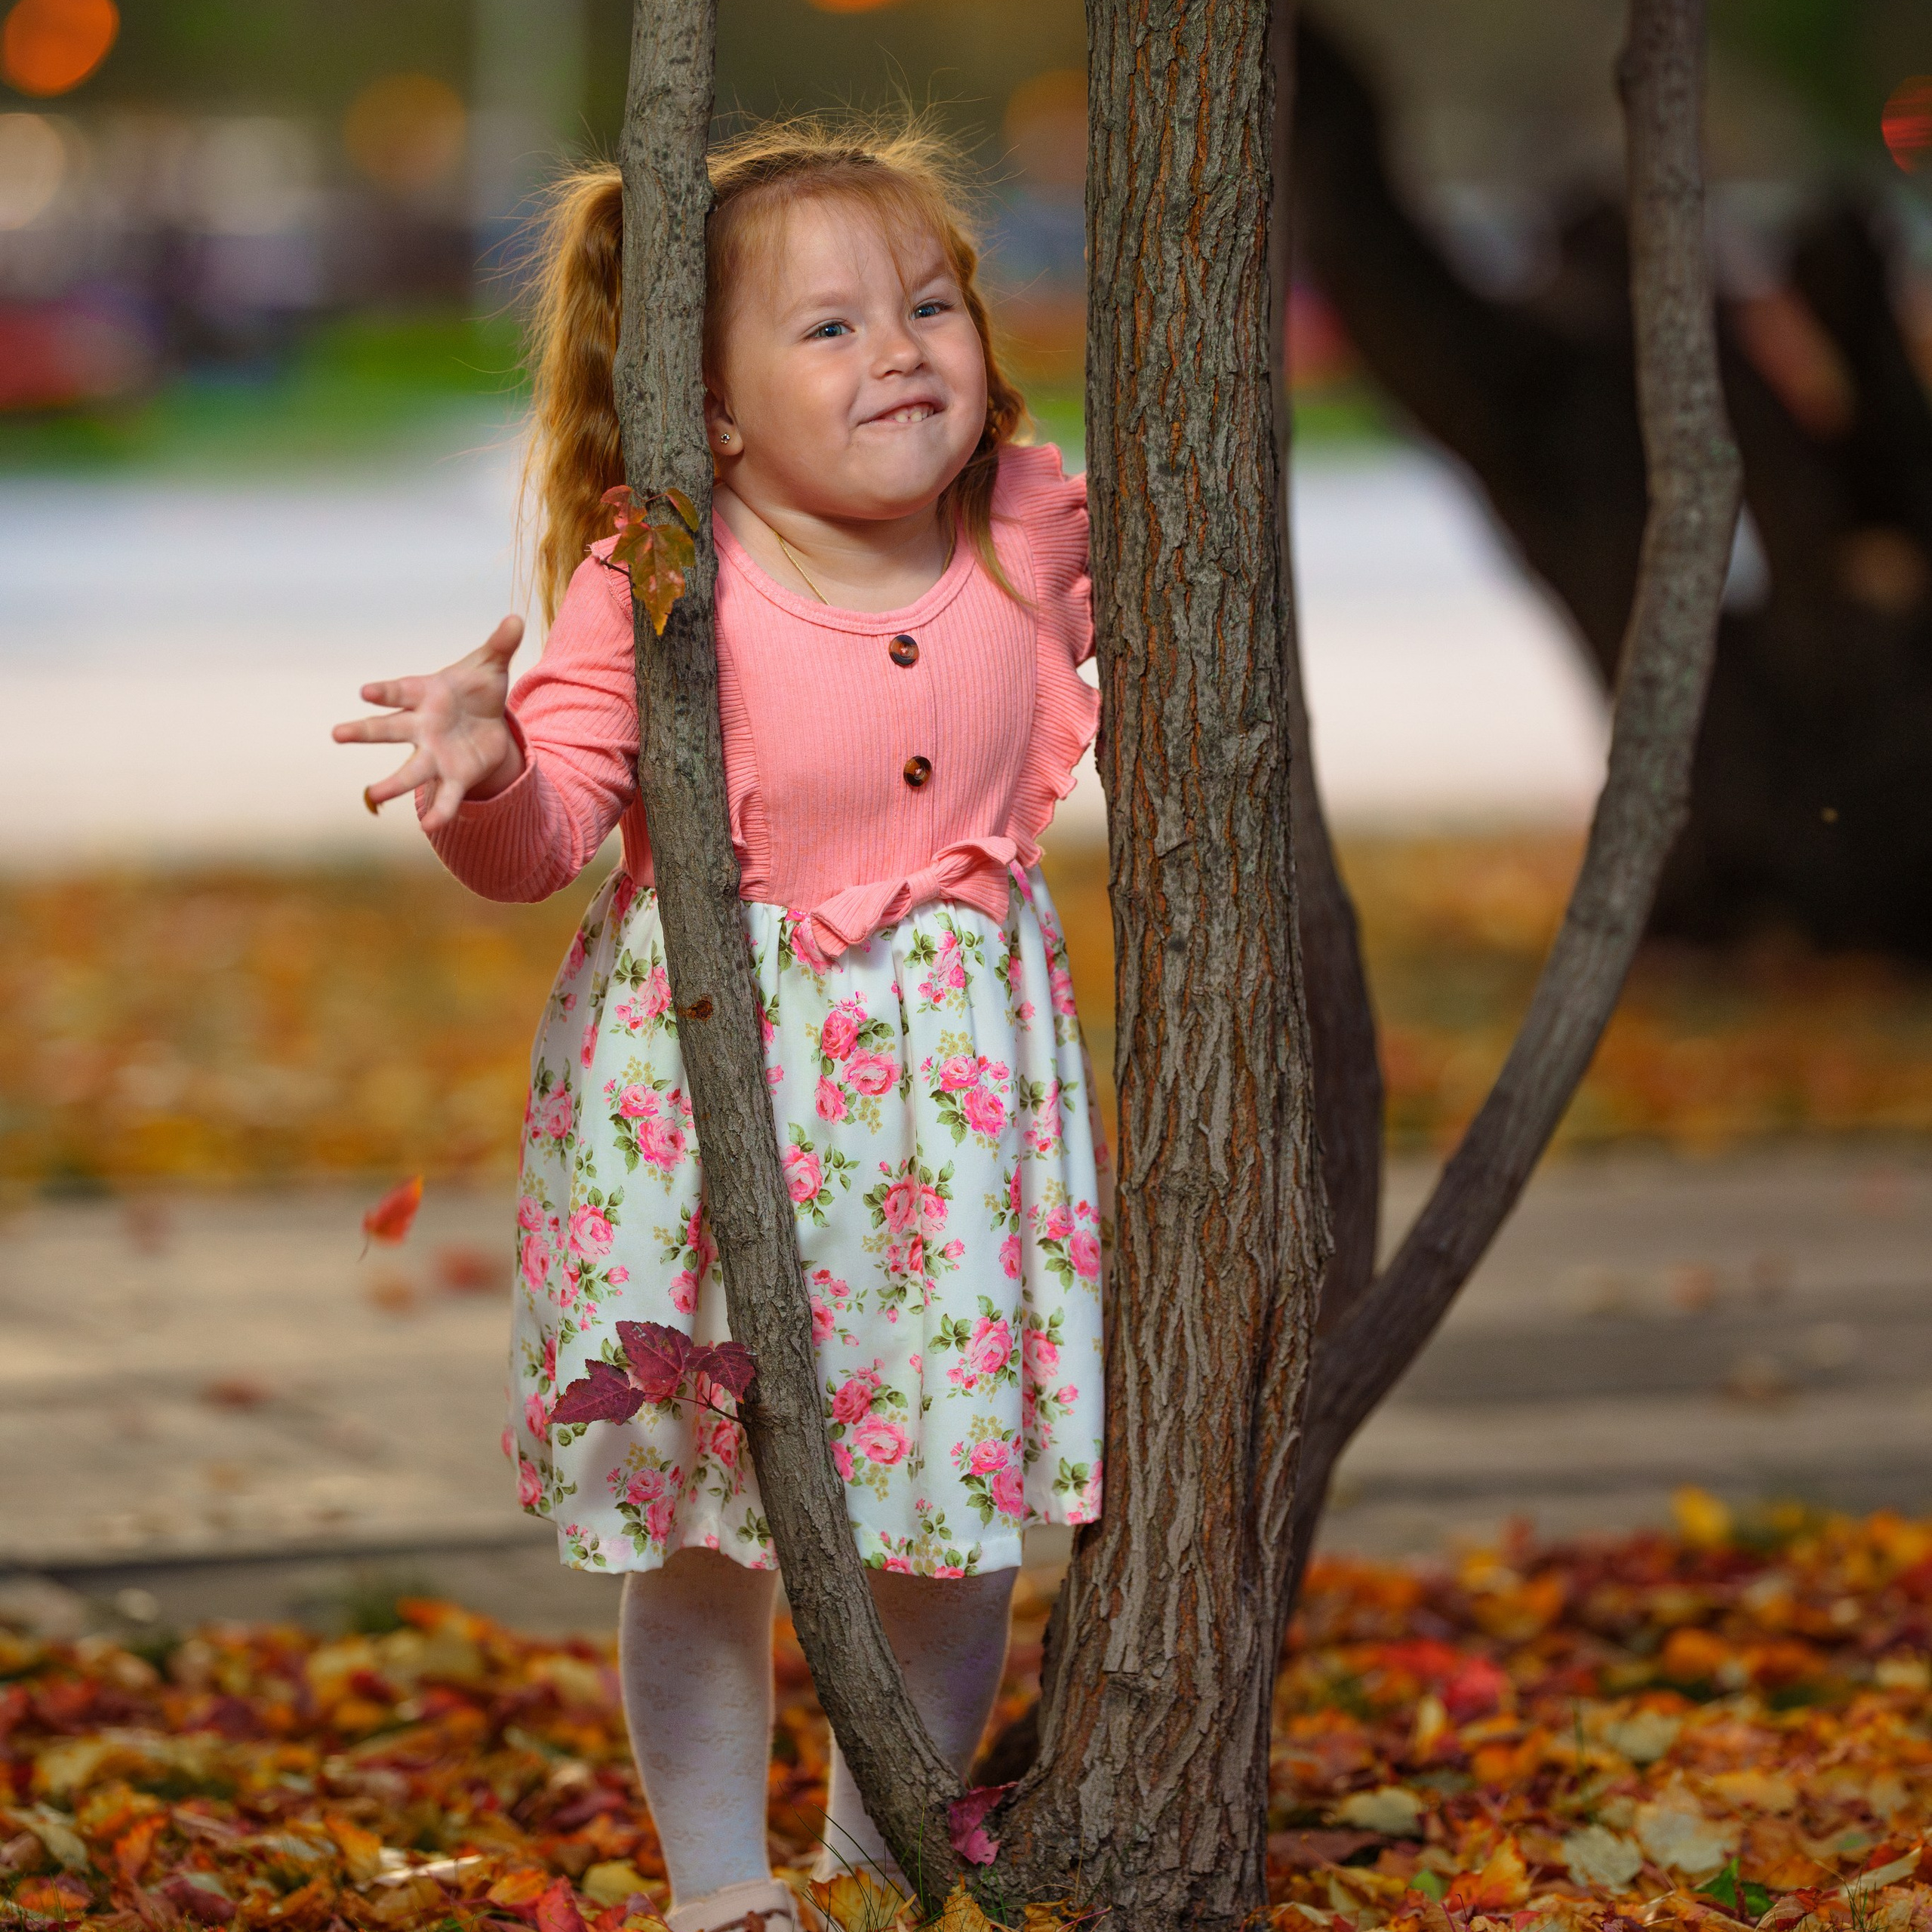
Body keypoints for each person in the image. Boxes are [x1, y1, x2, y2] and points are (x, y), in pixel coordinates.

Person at [334, 122, 1109, 1932]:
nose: (901, 348)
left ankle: (867, 1865)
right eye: (827, 328)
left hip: (960, 1127)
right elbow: (541, 843)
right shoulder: (662, 568)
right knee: (702, 1530)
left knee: (947, 1523)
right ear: (714, 408)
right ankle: (718, 1891)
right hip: (712, 1122)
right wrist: (484, 763)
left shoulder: (1029, 526)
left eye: (930, 303)